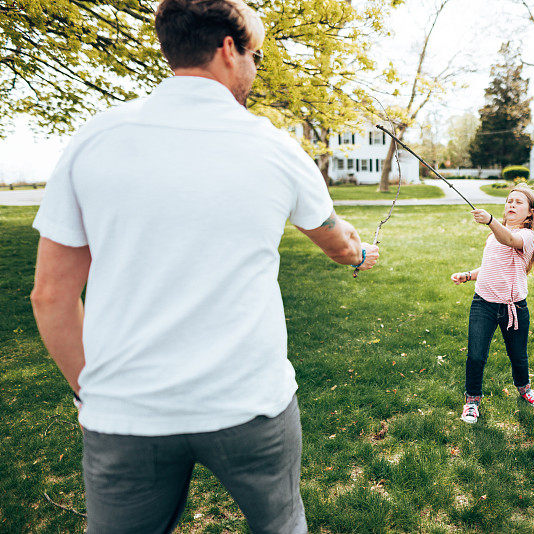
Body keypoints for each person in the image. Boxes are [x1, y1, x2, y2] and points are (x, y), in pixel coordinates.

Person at [29, 0, 378, 532]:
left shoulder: (94, 139)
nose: (256, 70)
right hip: (251, 407)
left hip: (124, 417)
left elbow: (51, 295)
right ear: (227, 49)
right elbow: (336, 242)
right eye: (255, 55)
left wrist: (92, 390)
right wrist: (357, 252)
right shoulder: (276, 148)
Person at [450, 184, 534, 424]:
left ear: (530, 213)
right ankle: (472, 401)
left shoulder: (528, 236)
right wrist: (469, 275)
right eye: (509, 200)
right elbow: (491, 267)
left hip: (515, 307)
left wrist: (490, 220)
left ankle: (524, 389)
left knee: (518, 355)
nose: (511, 204)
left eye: (518, 202)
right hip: (484, 304)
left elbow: (510, 239)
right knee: (476, 355)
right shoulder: (494, 235)